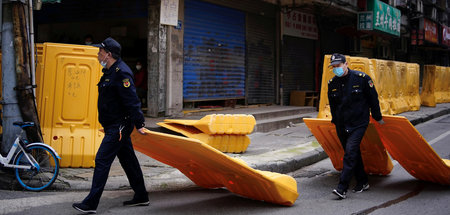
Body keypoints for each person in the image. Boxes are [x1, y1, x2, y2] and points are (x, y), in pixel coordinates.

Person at [73, 37, 149, 214]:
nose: (98, 53)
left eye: (100, 51)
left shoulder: (122, 73)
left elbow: (132, 101)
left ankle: (91, 203)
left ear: (108, 54)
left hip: (120, 126)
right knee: (128, 160)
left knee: (102, 159)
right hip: (112, 124)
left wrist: (140, 124)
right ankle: (141, 196)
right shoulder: (109, 71)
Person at [327, 53, 384, 200]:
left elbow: (373, 99)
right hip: (341, 124)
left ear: (346, 64)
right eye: (333, 67)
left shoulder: (362, 79)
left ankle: (342, 188)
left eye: (338, 66)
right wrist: (335, 121)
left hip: (359, 122)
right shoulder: (332, 83)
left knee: (350, 153)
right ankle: (363, 181)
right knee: (353, 153)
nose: (336, 69)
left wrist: (378, 117)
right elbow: (333, 106)